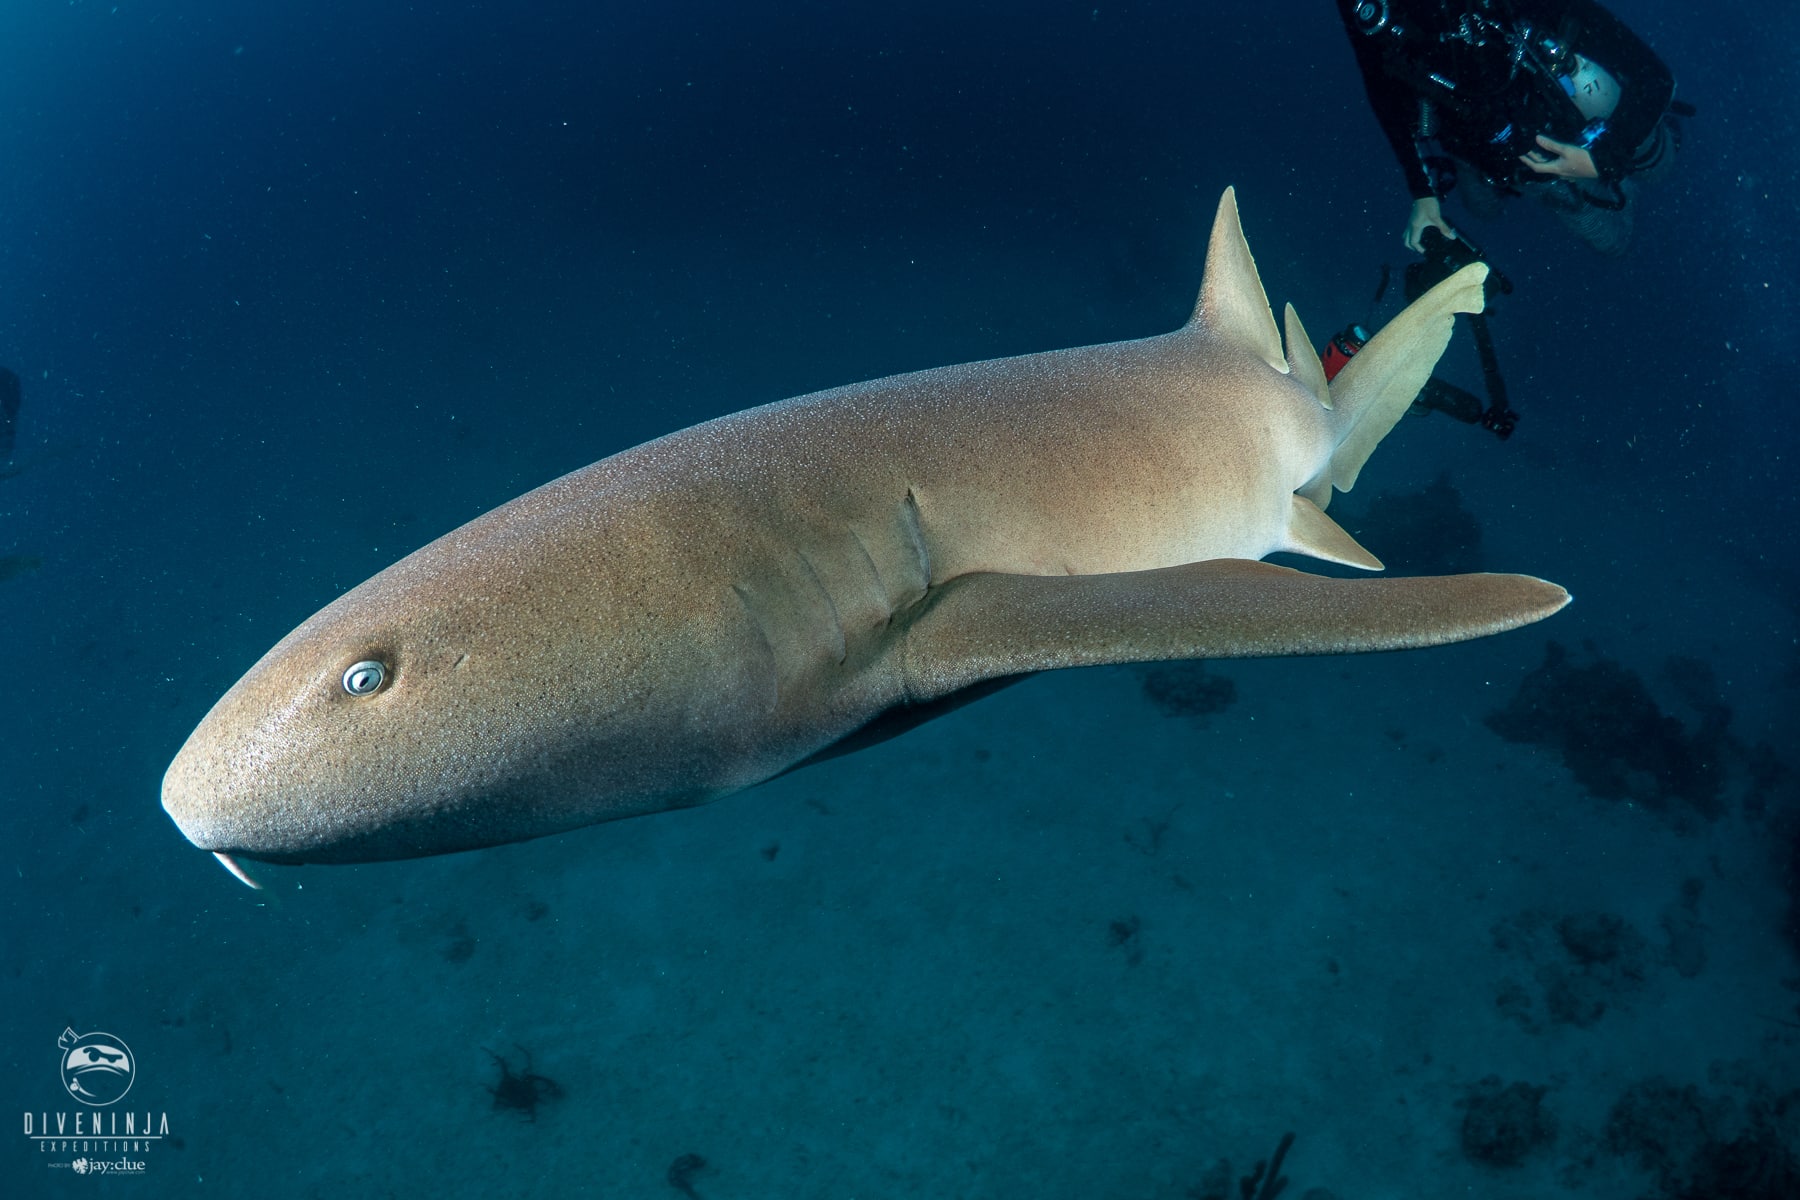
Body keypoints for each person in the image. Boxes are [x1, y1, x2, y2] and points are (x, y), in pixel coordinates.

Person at [1338, 0, 1682, 256]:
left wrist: (1601, 159)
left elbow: (1654, 75)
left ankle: (1643, 151)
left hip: (1565, 120)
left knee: (1644, 186)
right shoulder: (1369, 9)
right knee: (1484, 209)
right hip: (1483, 146)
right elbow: (1380, 84)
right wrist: (1422, 191)